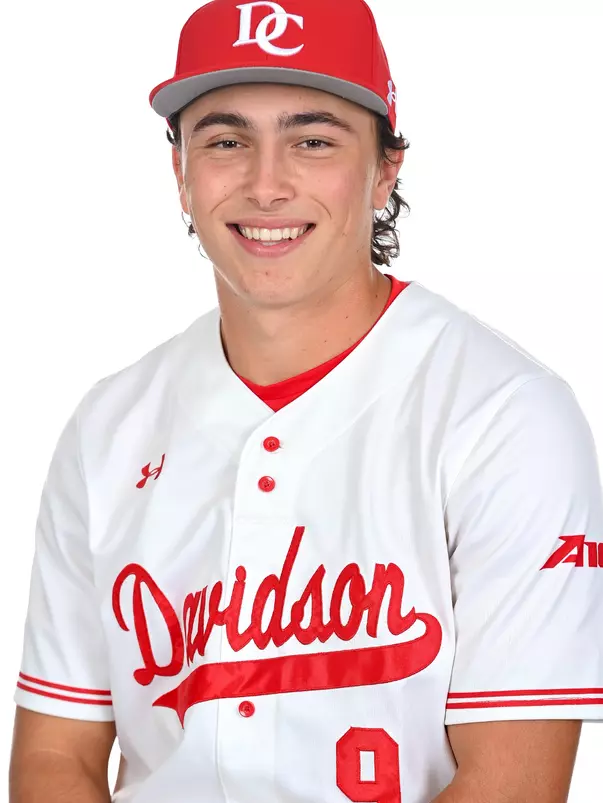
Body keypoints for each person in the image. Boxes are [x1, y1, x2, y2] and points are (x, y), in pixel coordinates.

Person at [9, 0, 603, 801]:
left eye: (312, 140)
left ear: (386, 168)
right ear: (180, 172)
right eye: (225, 141)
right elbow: (57, 757)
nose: (265, 183)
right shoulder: (108, 426)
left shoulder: (505, 416)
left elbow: (512, 782)